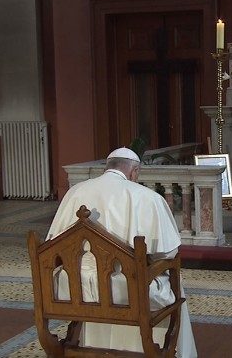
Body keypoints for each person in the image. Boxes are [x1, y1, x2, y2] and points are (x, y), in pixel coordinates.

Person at [46, 147, 197, 358]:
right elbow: (169, 254)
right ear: (134, 171)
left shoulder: (75, 193)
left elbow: (51, 244)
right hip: (127, 293)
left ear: (108, 167)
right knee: (172, 279)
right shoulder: (148, 198)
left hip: (74, 291)